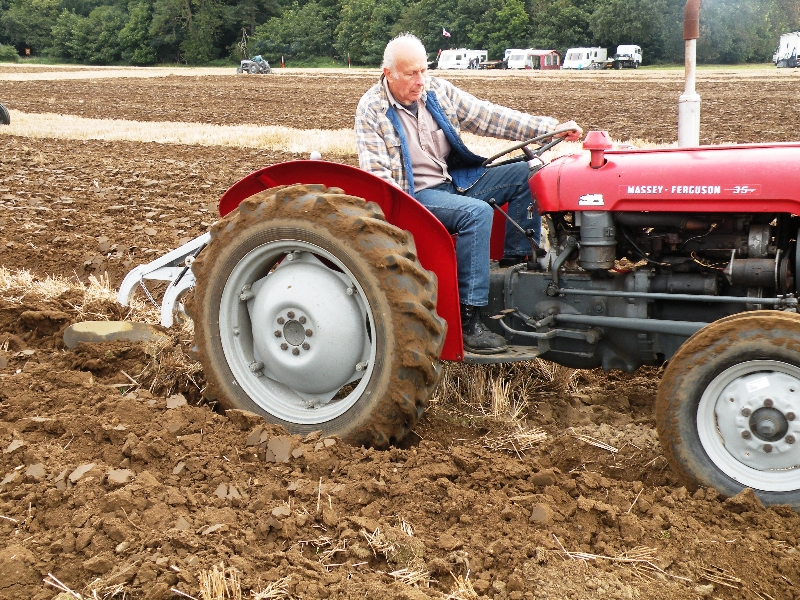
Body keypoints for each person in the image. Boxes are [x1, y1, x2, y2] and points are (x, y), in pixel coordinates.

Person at [354, 33, 582, 355]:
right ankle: (469, 316)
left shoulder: (437, 91)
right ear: (388, 73)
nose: (421, 81)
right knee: (477, 213)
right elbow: (381, 182)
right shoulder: (372, 111)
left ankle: (518, 267)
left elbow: (489, 116)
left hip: (454, 183)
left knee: (529, 174)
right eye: (411, 73)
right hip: (415, 197)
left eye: (424, 70)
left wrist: (550, 128)